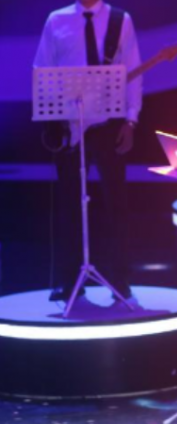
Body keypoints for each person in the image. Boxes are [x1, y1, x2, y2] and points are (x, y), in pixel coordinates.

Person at [34, 0, 142, 301]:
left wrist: (131, 122)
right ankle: (69, 280)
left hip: (108, 121)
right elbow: (42, 69)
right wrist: (54, 117)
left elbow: (133, 70)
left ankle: (119, 278)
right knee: (69, 203)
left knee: (116, 204)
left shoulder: (121, 20)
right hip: (69, 123)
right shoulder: (56, 20)